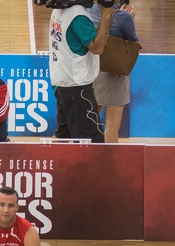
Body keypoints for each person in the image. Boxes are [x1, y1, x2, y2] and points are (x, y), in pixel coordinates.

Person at [48, 0, 113, 142]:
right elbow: (97, 48)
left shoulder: (59, 9)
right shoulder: (78, 15)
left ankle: (55, 163)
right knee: (92, 143)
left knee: (63, 138)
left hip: (62, 82)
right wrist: (106, 13)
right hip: (77, 88)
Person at [89, 1, 138, 144]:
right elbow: (133, 42)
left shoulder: (88, 10)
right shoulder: (123, 17)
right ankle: (110, 163)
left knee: (91, 120)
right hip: (114, 73)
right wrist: (129, 19)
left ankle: (87, 157)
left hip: (90, 70)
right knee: (111, 125)